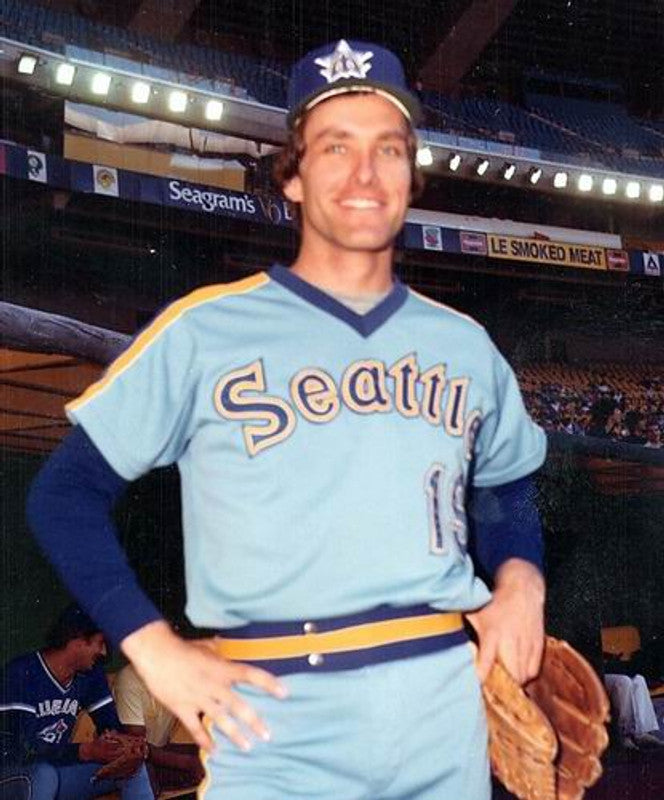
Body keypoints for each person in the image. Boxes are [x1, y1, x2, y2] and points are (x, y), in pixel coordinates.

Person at [27, 39, 547, 800]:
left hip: (439, 707)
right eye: (336, 147)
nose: (365, 174)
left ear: (411, 176)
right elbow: (64, 494)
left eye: (388, 149)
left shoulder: (464, 345)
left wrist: (521, 580)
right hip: (275, 711)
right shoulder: (205, 331)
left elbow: (505, 487)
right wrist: (154, 648)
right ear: (294, 177)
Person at [0, 605, 153, 800]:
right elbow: (21, 750)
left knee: (131, 767)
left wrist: (124, 746)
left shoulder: (90, 674)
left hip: (55, 774)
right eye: (100, 642)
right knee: (43, 775)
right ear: (78, 639)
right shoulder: (21, 672)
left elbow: (109, 725)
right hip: (11, 775)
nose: (103, 652)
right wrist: (85, 751)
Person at [113, 664, 203, 796]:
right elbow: (138, 749)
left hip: (159, 752)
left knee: (213, 758)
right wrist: (189, 763)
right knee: (143, 774)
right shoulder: (129, 680)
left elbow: (208, 718)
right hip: (130, 760)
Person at [604, 674, 664, 750]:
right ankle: (625, 734)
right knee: (623, 681)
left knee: (639, 679)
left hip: (619, 672)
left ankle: (642, 732)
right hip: (597, 677)